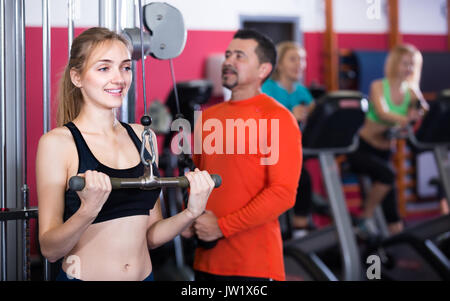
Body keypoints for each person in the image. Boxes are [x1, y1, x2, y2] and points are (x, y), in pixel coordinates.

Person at [36, 27, 215, 281]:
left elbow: (151, 234)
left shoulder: (144, 136)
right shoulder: (58, 143)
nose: (119, 78)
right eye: (104, 68)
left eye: (126, 67)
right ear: (77, 77)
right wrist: (88, 210)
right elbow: (50, 250)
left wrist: (191, 213)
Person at [184, 29, 302, 281]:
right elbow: (197, 180)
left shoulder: (277, 118)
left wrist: (222, 227)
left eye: (240, 56)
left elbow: (283, 193)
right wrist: (187, 216)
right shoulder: (207, 118)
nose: (228, 61)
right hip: (206, 261)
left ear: (263, 70)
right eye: (228, 54)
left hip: (253, 266)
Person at [347, 44, 429, 236]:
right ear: (394, 64)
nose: (408, 68)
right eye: (404, 63)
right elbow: (383, 112)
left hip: (385, 152)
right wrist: (408, 118)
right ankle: (365, 218)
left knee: (392, 211)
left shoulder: (411, 91)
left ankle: (391, 243)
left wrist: (417, 111)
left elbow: (423, 108)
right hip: (363, 148)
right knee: (387, 176)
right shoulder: (378, 86)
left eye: (412, 64)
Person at [262, 41, 315, 231]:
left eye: (302, 59)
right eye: (293, 59)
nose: (299, 64)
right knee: (302, 180)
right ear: (280, 64)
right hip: (268, 153)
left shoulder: (302, 91)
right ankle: (295, 229)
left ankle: (300, 229)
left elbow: (314, 117)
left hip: (294, 150)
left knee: (304, 181)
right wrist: (291, 115)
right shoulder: (267, 88)